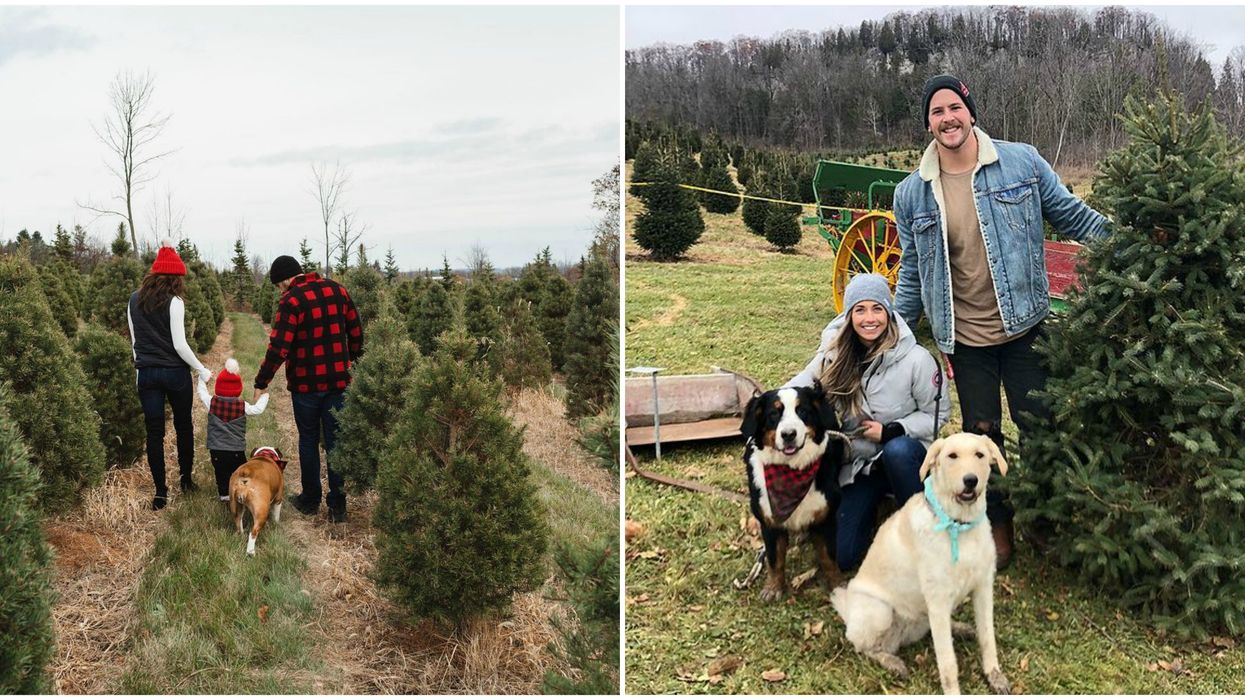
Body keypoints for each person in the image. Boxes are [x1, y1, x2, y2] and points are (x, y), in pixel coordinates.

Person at [892, 74, 1112, 566]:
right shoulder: (912, 194)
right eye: (936, 112)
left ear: (970, 112)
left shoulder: (1021, 162)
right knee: (982, 436)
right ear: (927, 124)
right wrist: (893, 331)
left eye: (954, 107)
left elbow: (1073, 217)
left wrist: (1127, 240)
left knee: (1040, 425)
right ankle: (999, 527)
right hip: (964, 339)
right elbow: (912, 270)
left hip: (1025, 328)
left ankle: (1048, 521)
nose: (947, 118)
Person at [788, 273, 949, 572]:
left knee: (897, 451)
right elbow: (805, 383)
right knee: (844, 556)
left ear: (889, 312)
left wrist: (891, 431)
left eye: (877, 309)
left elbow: (937, 415)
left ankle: (925, 530)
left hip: (907, 458)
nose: (869, 318)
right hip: (862, 465)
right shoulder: (835, 353)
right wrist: (776, 402)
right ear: (848, 316)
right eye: (859, 310)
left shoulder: (916, 359)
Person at [253, 256, 363, 523]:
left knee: (309, 440)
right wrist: (356, 366)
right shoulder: (338, 290)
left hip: (306, 385)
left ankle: (311, 500)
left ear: (285, 280)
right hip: (339, 382)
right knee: (336, 442)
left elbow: (279, 347)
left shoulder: (291, 300)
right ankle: (338, 506)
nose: (281, 291)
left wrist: (261, 382)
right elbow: (357, 332)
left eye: (280, 286)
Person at [127, 239, 212, 510]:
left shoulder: (133, 299)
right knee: (183, 426)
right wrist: (201, 368)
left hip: (147, 373)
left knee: (154, 432)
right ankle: (186, 481)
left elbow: (134, 342)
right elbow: (179, 345)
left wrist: (140, 367)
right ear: (176, 278)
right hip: (175, 373)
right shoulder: (175, 302)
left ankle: (160, 493)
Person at [196, 358, 270, 503]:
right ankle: (241, 495)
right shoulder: (242, 406)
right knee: (239, 474)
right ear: (238, 389)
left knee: (221, 472)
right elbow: (257, 409)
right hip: (236, 450)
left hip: (216, 449)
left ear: (218, 387)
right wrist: (265, 395)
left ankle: (224, 494)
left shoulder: (212, 402)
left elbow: (201, 392)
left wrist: (202, 378)